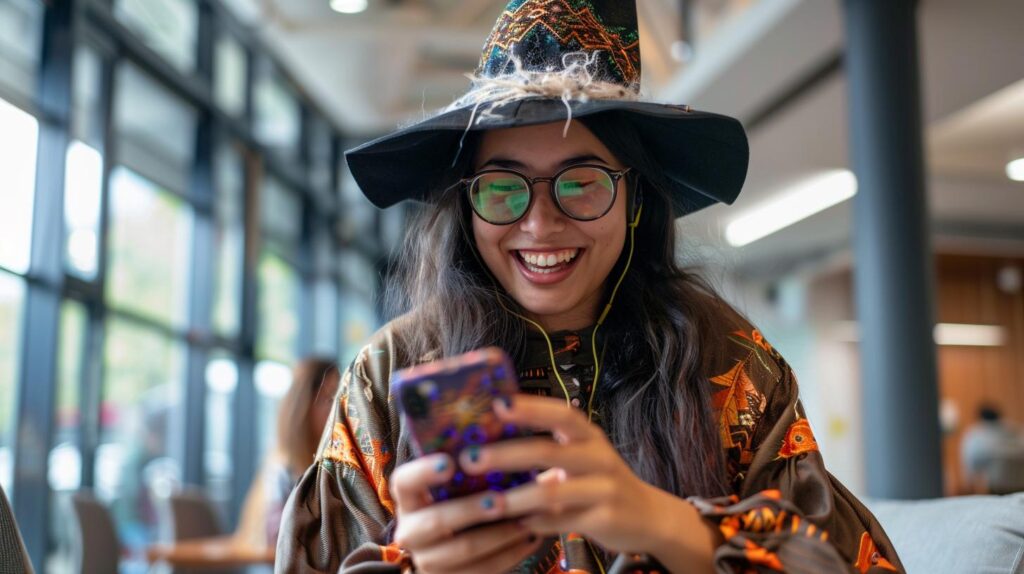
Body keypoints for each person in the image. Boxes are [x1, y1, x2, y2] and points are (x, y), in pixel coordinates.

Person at [276, 1, 902, 572]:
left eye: (581, 182)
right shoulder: (389, 374)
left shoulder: (729, 360)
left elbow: (852, 561)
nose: (540, 224)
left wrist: (670, 524)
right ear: (466, 209)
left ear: (635, 197)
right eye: (501, 187)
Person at [235, 357, 339, 547]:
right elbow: (277, 543)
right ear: (304, 406)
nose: (337, 409)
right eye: (328, 398)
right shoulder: (281, 471)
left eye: (339, 398)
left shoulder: (329, 466)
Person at [960, 404, 1024, 495]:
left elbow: (969, 461)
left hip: (998, 487)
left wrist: (968, 483)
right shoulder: (1016, 429)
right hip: (1019, 484)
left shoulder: (976, 434)